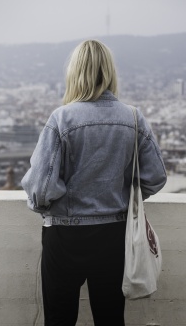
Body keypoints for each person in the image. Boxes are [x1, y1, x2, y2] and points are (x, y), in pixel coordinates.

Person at [21, 39, 167, 326]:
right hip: (114, 234)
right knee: (110, 318)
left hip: (65, 235)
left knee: (59, 319)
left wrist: (50, 204)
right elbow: (156, 177)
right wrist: (120, 196)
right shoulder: (133, 118)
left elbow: (40, 188)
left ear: (74, 73)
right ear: (110, 72)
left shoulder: (62, 119)